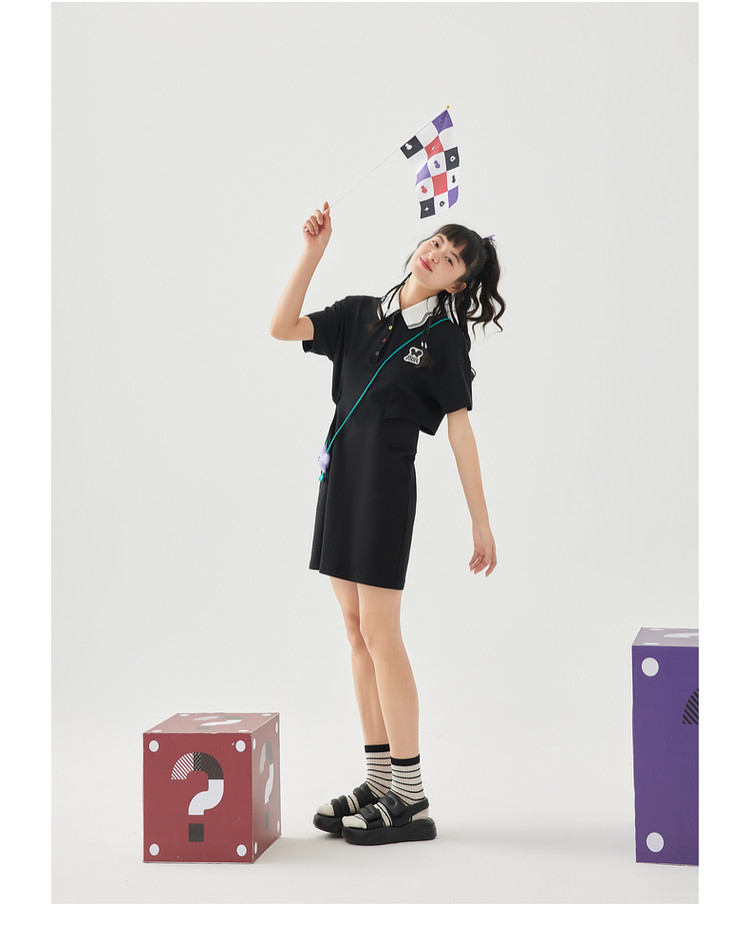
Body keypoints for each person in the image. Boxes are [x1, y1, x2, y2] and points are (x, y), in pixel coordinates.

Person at [269, 201, 505, 845]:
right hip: (338, 484)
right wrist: (313, 252)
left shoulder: (444, 340)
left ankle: (411, 794)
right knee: (355, 632)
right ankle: (380, 781)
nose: (435, 254)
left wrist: (480, 521)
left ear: (458, 283)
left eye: (451, 259)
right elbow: (281, 326)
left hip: (383, 494)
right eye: (436, 242)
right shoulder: (356, 313)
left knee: (382, 633)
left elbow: (460, 430)